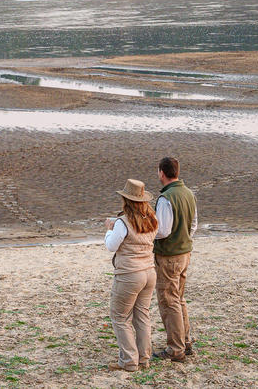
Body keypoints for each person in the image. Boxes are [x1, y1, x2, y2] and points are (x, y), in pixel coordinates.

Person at [104, 178, 159, 372]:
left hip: (129, 274)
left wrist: (109, 230)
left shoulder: (122, 222)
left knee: (119, 316)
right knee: (142, 315)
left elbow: (111, 246)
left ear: (126, 200)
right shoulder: (153, 219)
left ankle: (128, 361)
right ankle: (143, 358)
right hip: (149, 272)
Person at [151, 156, 198, 362]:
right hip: (184, 252)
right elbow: (193, 225)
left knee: (169, 301)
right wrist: (184, 239)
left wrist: (147, 231)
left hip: (169, 255)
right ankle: (185, 342)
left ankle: (175, 348)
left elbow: (162, 231)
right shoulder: (188, 193)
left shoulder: (166, 198)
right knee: (178, 299)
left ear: (162, 172)